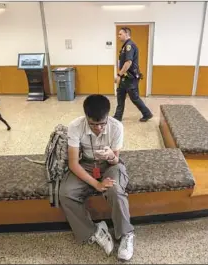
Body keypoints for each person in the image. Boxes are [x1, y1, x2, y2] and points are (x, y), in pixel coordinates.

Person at [59, 94, 135, 261]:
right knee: (65, 193)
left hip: (110, 165)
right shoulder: (75, 126)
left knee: (114, 190)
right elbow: (73, 164)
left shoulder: (116, 127)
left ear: (107, 116)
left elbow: (116, 159)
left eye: (102, 123)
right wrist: (96, 184)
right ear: (86, 117)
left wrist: (110, 157)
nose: (99, 128)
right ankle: (94, 231)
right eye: (94, 124)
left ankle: (126, 234)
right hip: (85, 163)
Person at [113, 27, 153, 122]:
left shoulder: (129, 46)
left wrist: (119, 75)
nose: (118, 36)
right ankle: (118, 116)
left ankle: (147, 114)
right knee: (120, 95)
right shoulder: (125, 46)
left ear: (127, 34)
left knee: (134, 98)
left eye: (120, 34)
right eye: (118, 34)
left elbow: (128, 62)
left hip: (130, 78)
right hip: (125, 77)